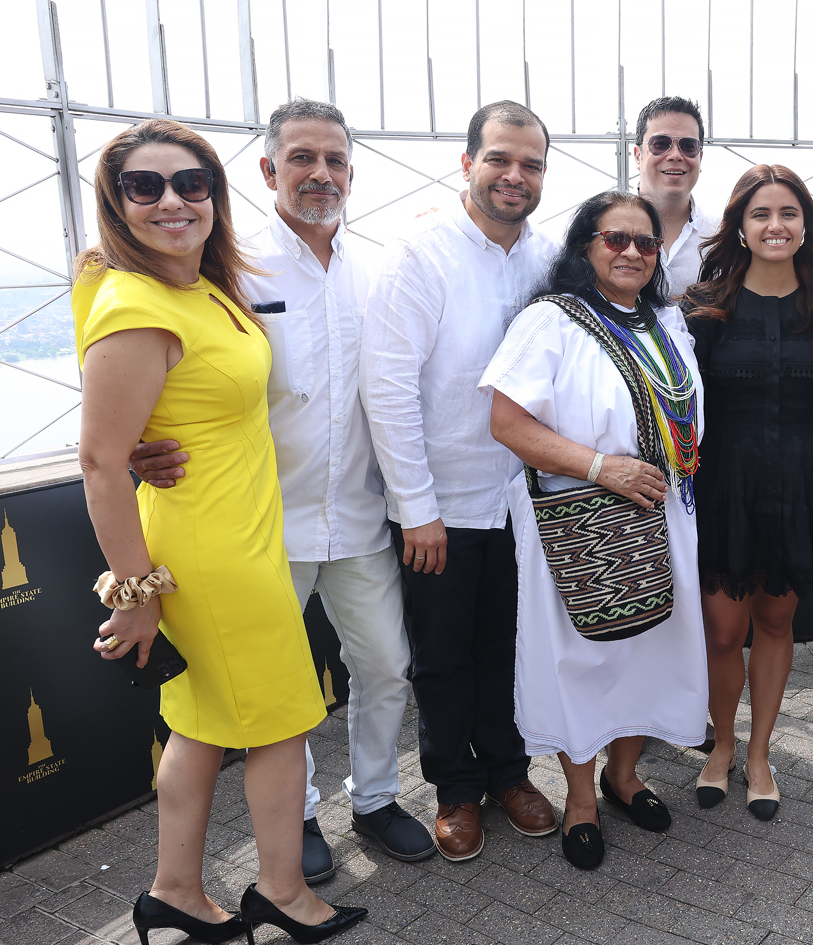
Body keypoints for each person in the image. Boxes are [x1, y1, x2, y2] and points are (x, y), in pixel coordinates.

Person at [74, 119, 365, 945]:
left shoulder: (200, 288)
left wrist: (142, 443)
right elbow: (98, 462)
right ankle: (282, 889)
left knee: (200, 723)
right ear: (116, 201)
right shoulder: (134, 303)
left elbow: (142, 419)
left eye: (191, 182)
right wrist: (135, 597)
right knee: (279, 722)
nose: (173, 200)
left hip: (234, 534)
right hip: (211, 555)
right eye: (146, 185)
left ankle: (174, 891)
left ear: (215, 194)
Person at [130, 99, 435, 883]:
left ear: (352, 174)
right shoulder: (228, 263)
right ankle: (293, 816)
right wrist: (133, 441)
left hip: (361, 516)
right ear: (268, 171)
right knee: (278, 691)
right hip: (262, 523)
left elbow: (397, 390)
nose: (320, 174)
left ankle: (374, 798)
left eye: (334, 160)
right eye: (302, 158)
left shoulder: (377, 271)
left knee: (385, 665)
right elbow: (168, 361)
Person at [482, 191, 709, 869]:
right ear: (585, 246)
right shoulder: (552, 321)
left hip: (662, 513)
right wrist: (601, 466)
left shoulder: (665, 319)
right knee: (582, 658)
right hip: (578, 520)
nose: (633, 252)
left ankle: (624, 774)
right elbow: (508, 423)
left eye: (646, 242)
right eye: (616, 239)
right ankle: (581, 798)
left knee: (649, 648)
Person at [361, 101, 561, 862]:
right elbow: (388, 389)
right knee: (442, 656)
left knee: (509, 648)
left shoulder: (545, 259)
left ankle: (511, 774)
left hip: (520, 501)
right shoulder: (418, 253)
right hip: (437, 507)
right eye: (500, 159)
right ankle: (455, 789)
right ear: (467, 162)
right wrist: (416, 508)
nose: (515, 175)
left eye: (532, 163)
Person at [682, 165, 813, 821]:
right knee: (724, 630)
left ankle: (758, 755)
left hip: (801, 486)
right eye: (761, 214)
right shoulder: (704, 305)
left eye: (789, 212)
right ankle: (719, 744)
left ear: (805, 223)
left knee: (778, 622)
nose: (776, 225)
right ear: (741, 228)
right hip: (724, 486)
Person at [634, 96, 718, 298]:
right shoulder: (602, 231)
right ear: (638, 156)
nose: (675, 155)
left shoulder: (721, 238)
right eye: (660, 144)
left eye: (688, 146)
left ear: (700, 157)